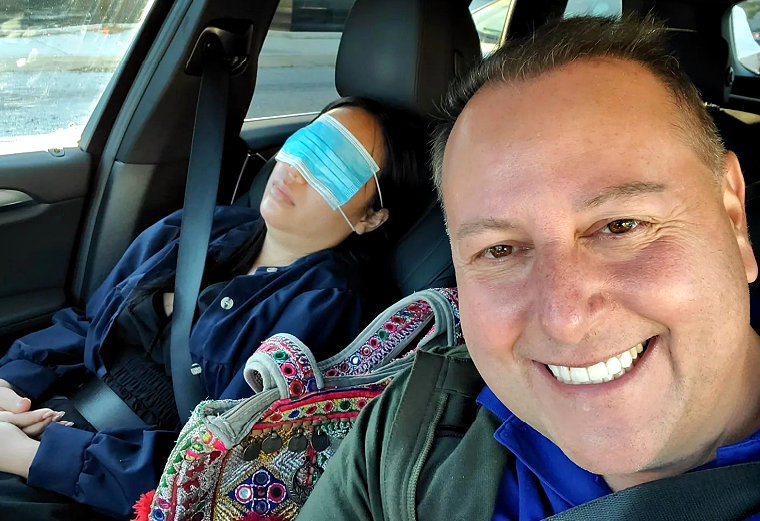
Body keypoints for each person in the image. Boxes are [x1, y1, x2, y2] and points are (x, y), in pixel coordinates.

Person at [298, 15, 760, 521]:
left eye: (621, 225)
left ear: (733, 218)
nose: (565, 320)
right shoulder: (408, 434)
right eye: (500, 250)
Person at [0, 96, 427, 519]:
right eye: (307, 145)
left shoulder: (328, 307)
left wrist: (32, 455)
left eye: (335, 170)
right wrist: (10, 385)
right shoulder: (199, 227)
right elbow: (88, 322)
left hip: (118, 491)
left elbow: (226, 466)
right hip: (52, 416)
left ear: (372, 217)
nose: (296, 171)